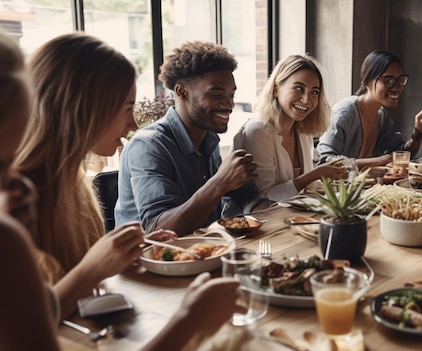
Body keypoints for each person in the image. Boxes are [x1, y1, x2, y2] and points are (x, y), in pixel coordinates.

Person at [0, 30, 246, 351]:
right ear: (85, 111)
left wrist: (124, 254)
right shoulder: (14, 212)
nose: (133, 125)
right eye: (127, 107)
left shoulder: (75, 188)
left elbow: (51, 306)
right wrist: (190, 318)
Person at [116, 41, 268, 236]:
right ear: (182, 92)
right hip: (152, 261)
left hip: (203, 253)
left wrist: (282, 213)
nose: (229, 104)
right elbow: (159, 229)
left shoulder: (209, 138)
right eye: (216, 93)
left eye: (231, 95)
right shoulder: (148, 146)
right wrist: (219, 183)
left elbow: (248, 199)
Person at [232, 54, 347, 201]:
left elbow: (306, 190)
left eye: (314, 92)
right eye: (299, 88)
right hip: (255, 221)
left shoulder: (302, 131)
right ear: (275, 89)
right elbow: (265, 199)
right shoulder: (257, 131)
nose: (306, 99)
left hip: (294, 218)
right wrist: (316, 174)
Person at [316, 50, 422, 169]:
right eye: (389, 81)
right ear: (368, 82)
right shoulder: (344, 113)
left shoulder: (381, 116)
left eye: (400, 80)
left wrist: (418, 133)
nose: (397, 87)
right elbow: (324, 161)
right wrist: (377, 161)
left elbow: (400, 156)